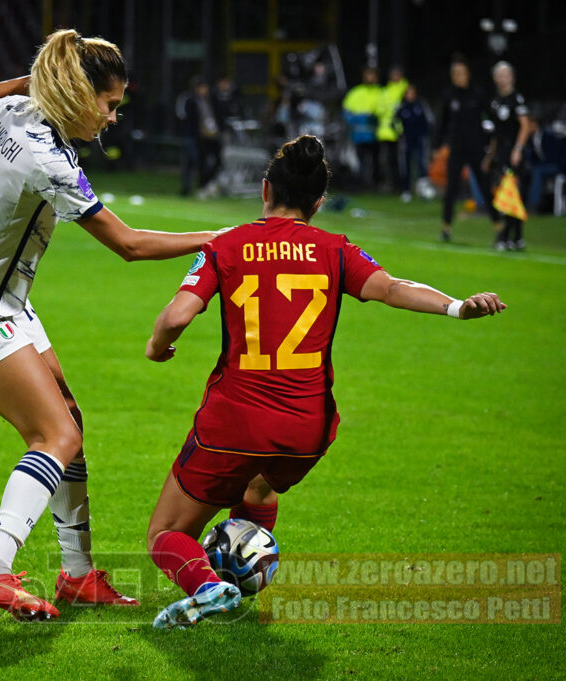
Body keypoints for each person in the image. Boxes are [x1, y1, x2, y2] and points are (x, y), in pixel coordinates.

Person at [0, 29, 221, 621]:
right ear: (78, 94)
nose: (112, 116)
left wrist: (42, 82)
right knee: (57, 437)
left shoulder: (19, 112)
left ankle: (77, 577)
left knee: (70, 422)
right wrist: (221, 238)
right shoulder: (45, 155)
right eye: (108, 103)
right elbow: (128, 244)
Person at [143, 135, 507, 629]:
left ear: (264, 189)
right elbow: (394, 289)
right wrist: (455, 306)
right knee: (258, 488)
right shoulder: (335, 249)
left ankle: (208, 587)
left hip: (235, 419)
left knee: (165, 532)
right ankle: (241, 577)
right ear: (318, 202)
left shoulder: (225, 245)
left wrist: (158, 346)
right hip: (305, 428)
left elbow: (178, 315)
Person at [435, 55, 498, 242]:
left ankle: (498, 226)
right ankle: (446, 228)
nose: (459, 77)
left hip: (476, 147)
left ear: (468, 74)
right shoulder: (449, 95)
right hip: (457, 148)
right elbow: (443, 124)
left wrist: (491, 144)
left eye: (462, 73)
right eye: (455, 73)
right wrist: (437, 146)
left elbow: (492, 118)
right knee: (451, 188)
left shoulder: (477, 94)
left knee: (485, 186)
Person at [484, 61, 534, 250]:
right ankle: (512, 238)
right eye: (499, 76)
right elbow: (496, 133)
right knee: (505, 194)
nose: (502, 79)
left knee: (513, 194)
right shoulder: (495, 101)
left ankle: (511, 237)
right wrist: (490, 155)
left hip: (514, 154)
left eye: (506, 75)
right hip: (501, 154)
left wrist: (518, 149)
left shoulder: (517, 99)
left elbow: (525, 125)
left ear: (512, 77)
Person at [179, 76, 222, 197]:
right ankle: (189, 188)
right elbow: (187, 119)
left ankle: (204, 184)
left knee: (214, 160)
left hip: (210, 136)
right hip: (194, 137)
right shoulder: (190, 100)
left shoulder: (211, 100)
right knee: (192, 161)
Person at [342, 67, 382, 190]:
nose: (370, 77)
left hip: (377, 135)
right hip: (359, 135)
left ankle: (376, 183)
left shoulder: (381, 92)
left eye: (372, 75)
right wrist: (359, 119)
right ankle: (362, 184)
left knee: (377, 160)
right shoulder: (355, 93)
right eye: (368, 75)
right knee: (361, 161)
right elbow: (346, 112)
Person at [396, 83, 432, 200]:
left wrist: (425, 134)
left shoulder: (421, 105)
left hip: (420, 138)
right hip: (407, 139)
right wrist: (400, 134)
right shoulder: (401, 107)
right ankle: (406, 190)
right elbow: (395, 122)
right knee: (406, 164)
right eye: (408, 93)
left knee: (422, 163)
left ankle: (423, 190)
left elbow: (429, 120)